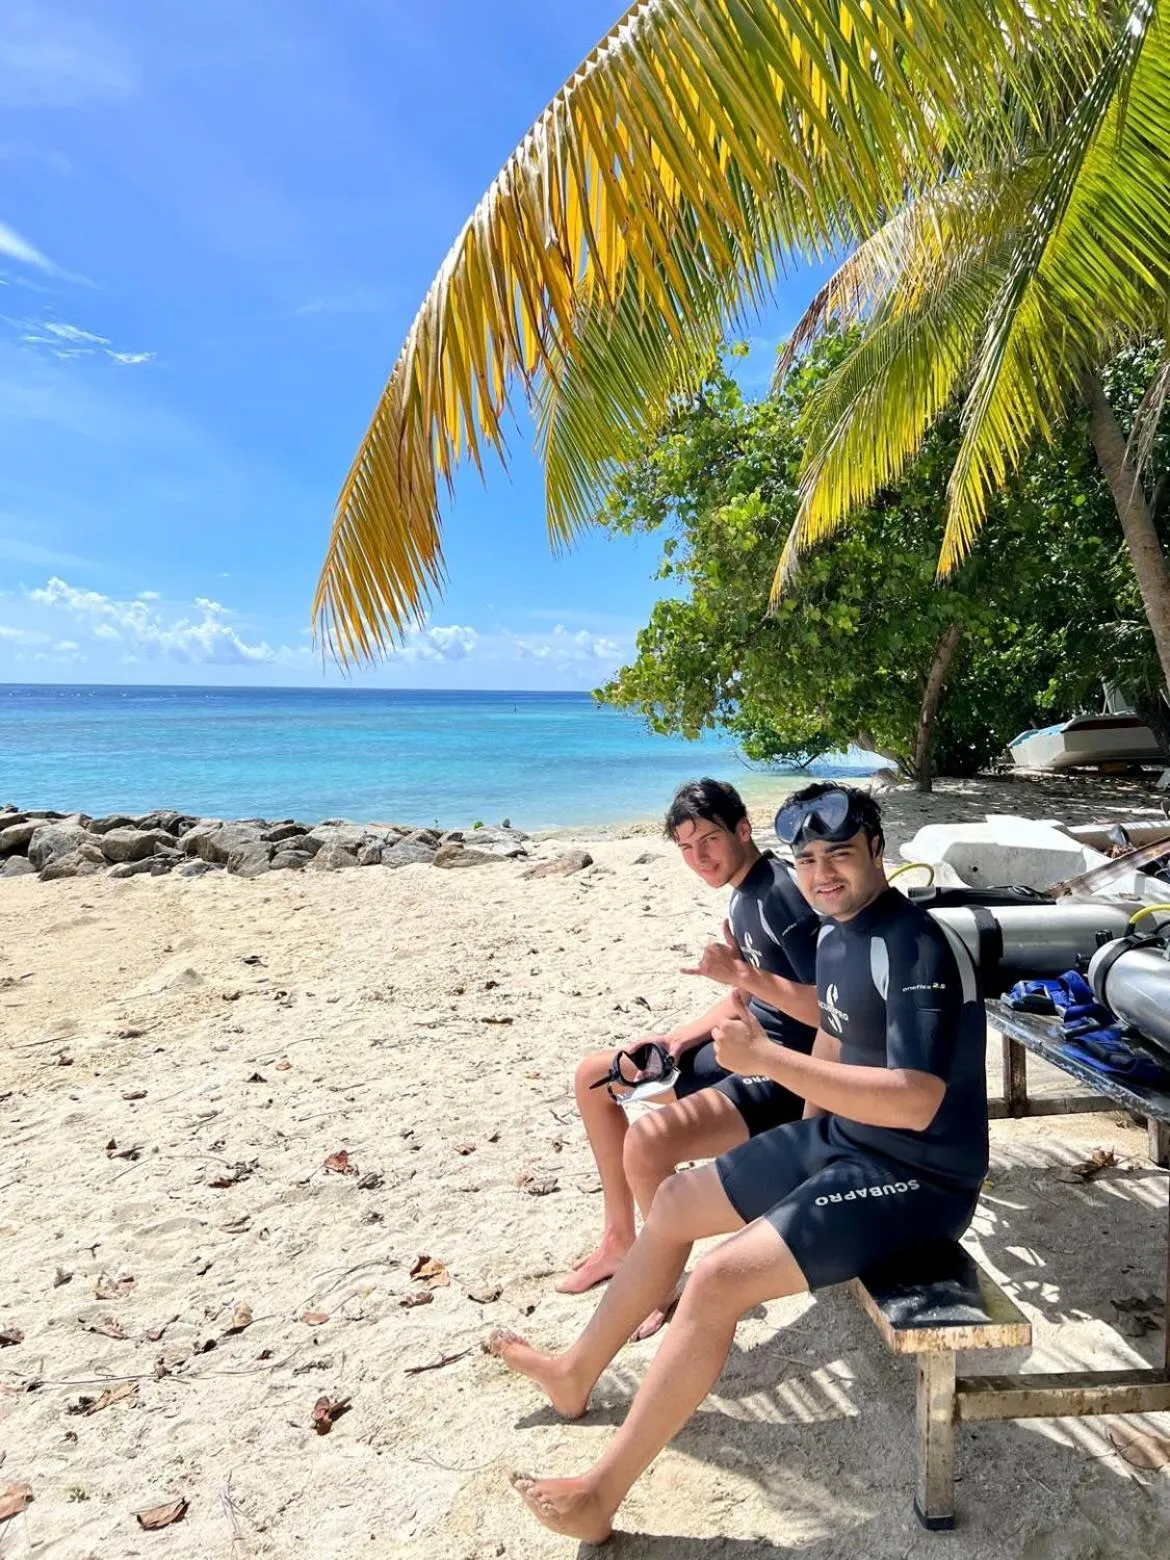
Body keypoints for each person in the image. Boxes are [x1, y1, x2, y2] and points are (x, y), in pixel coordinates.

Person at [492, 782, 988, 1544]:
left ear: (878, 853)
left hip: (922, 1180)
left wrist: (766, 1064)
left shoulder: (914, 943)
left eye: (841, 856)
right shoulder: (832, 932)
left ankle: (601, 1493)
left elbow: (918, 1099)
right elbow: (833, 1032)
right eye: (810, 859)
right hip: (848, 1143)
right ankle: (574, 1372)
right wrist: (806, 1145)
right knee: (678, 1206)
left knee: (720, 1278)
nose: (823, 874)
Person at [558, 778, 821, 1338]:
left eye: (707, 840)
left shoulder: (779, 896)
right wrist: (679, 1039)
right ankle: (619, 1242)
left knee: (647, 1145)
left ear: (743, 830)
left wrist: (744, 985)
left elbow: (828, 1009)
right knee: (592, 1079)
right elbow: (744, 993)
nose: (698, 857)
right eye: (684, 847)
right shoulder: (743, 892)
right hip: (737, 1046)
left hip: (779, 1075)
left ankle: (660, 1280)